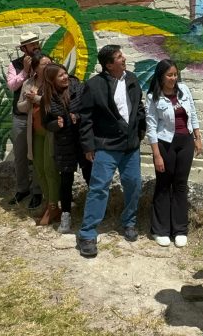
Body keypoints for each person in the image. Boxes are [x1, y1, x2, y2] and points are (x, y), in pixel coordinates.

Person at [76, 44, 146, 258]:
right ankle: (87, 233)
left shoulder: (132, 78)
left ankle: (129, 222)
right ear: (108, 65)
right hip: (106, 146)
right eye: (119, 57)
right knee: (99, 188)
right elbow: (86, 118)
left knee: (134, 184)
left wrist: (140, 130)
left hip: (130, 146)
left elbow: (138, 106)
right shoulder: (94, 85)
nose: (124, 58)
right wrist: (88, 145)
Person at [145, 59, 202, 248]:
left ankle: (180, 230)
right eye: (169, 75)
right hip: (165, 143)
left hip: (185, 142)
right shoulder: (153, 96)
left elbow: (193, 113)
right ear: (161, 76)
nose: (173, 78)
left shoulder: (184, 90)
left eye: (175, 74)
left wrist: (197, 137)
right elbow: (151, 126)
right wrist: (156, 155)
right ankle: (160, 230)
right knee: (163, 185)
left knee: (180, 185)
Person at [41, 64, 92, 234]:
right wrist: (56, 124)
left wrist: (78, 116)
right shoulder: (47, 98)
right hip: (64, 143)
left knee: (90, 175)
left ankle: (94, 212)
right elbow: (46, 123)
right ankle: (66, 214)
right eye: (60, 76)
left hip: (83, 140)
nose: (65, 77)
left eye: (65, 73)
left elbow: (91, 111)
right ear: (52, 80)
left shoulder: (79, 88)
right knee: (66, 180)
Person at [17, 54, 62, 226]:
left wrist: (37, 99)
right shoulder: (28, 83)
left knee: (50, 169)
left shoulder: (54, 82)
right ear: (35, 68)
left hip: (50, 131)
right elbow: (20, 107)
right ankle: (48, 202)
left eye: (50, 63)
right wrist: (29, 101)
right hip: (35, 131)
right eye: (44, 64)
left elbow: (58, 102)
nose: (49, 65)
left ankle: (53, 205)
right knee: (39, 169)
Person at [6, 32, 44, 209]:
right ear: (23, 48)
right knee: (20, 155)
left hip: (39, 115)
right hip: (21, 116)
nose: (35, 46)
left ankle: (38, 191)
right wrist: (25, 71)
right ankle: (22, 189)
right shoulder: (14, 65)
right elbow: (12, 86)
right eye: (31, 44)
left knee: (38, 155)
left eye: (36, 43)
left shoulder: (45, 60)